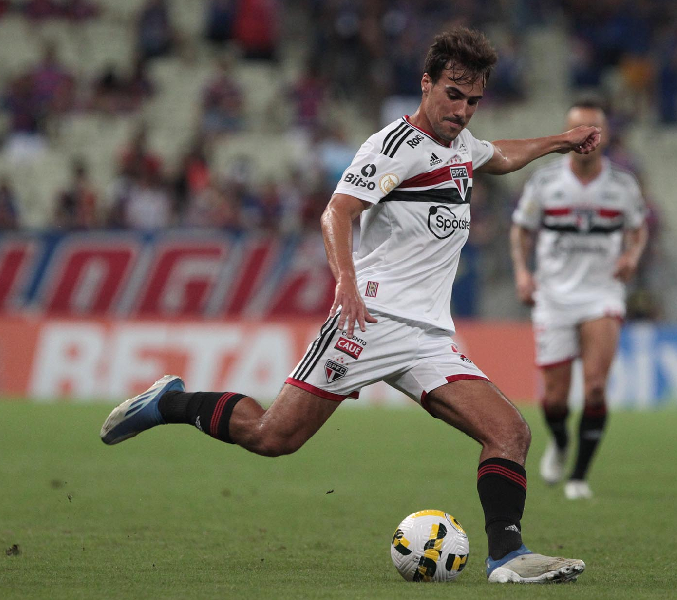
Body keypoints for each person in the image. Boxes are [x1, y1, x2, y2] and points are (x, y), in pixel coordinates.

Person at [99, 27, 600, 584]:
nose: (462, 111)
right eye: (453, 95)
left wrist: (559, 141)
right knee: (273, 436)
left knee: (509, 432)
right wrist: (346, 283)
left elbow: (500, 156)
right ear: (426, 83)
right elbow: (336, 213)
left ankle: (507, 557)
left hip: (428, 337)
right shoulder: (395, 147)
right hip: (371, 319)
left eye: (473, 100)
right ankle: (171, 402)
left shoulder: (460, 147)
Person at [510, 99, 648, 501]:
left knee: (594, 390)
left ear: (603, 135)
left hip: (601, 293)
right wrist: (522, 271)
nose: (587, 135)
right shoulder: (545, 182)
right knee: (554, 398)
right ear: (567, 133)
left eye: (594, 128)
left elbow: (638, 230)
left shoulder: (623, 185)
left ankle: (579, 477)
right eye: (579, 128)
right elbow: (521, 230)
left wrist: (631, 256)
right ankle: (561, 442)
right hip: (553, 297)